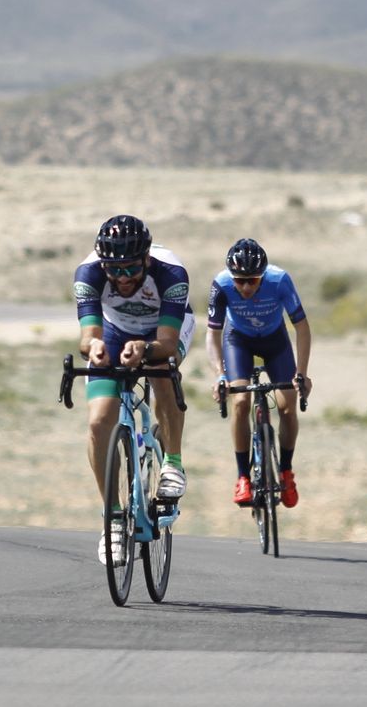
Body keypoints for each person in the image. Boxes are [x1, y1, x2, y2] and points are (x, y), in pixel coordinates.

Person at [73, 215, 194, 565]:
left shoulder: (171, 274)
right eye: (114, 269)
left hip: (162, 332)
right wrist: (95, 348)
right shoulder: (88, 274)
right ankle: (113, 518)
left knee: (160, 368)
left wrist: (144, 348)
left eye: (131, 268)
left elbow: (167, 343)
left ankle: (172, 462)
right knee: (99, 422)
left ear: (146, 259)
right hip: (115, 331)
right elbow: (88, 337)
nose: (123, 278)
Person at [206, 237, 313, 508]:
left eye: (252, 280)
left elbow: (302, 327)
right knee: (240, 402)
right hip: (238, 341)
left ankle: (286, 472)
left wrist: (302, 373)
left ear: (263, 276)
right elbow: (213, 333)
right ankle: (243, 476)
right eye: (239, 281)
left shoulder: (279, 281)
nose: (245, 287)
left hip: (275, 340)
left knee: (287, 407)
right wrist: (220, 374)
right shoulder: (221, 284)